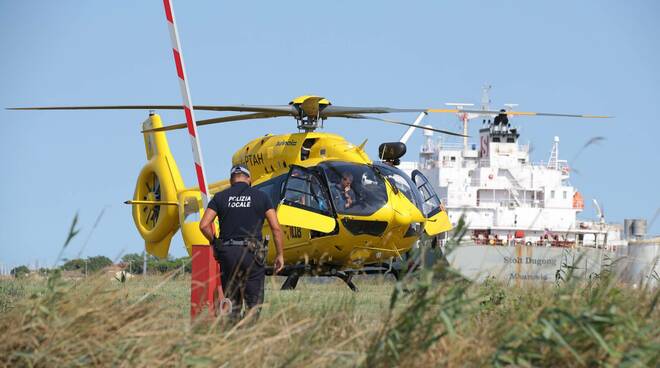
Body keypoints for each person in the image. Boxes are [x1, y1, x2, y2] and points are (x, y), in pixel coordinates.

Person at [199, 164, 284, 321]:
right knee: (254, 303)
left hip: (228, 253)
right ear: (249, 179)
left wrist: (215, 242)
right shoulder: (262, 197)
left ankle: (233, 332)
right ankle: (249, 333)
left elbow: (204, 225)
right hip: (252, 255)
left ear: (231, 180)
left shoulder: (220, 197)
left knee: (233, 303)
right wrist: (280, 255)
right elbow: (276, 228)